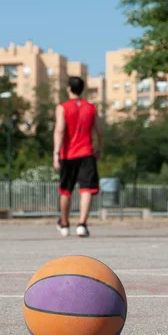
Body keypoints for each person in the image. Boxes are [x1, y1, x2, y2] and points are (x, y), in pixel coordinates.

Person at [53, 76, 104, 237]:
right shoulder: (91, 108)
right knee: (86, 189)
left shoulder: (63, 107)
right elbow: (100, 131)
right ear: (82, 89)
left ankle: (65, 223)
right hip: (87, 153)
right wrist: (99, 149)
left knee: (66, 190)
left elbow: (60, 129)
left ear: (69, 88)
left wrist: (56, 152)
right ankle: (82, 224)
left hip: (68, 155)